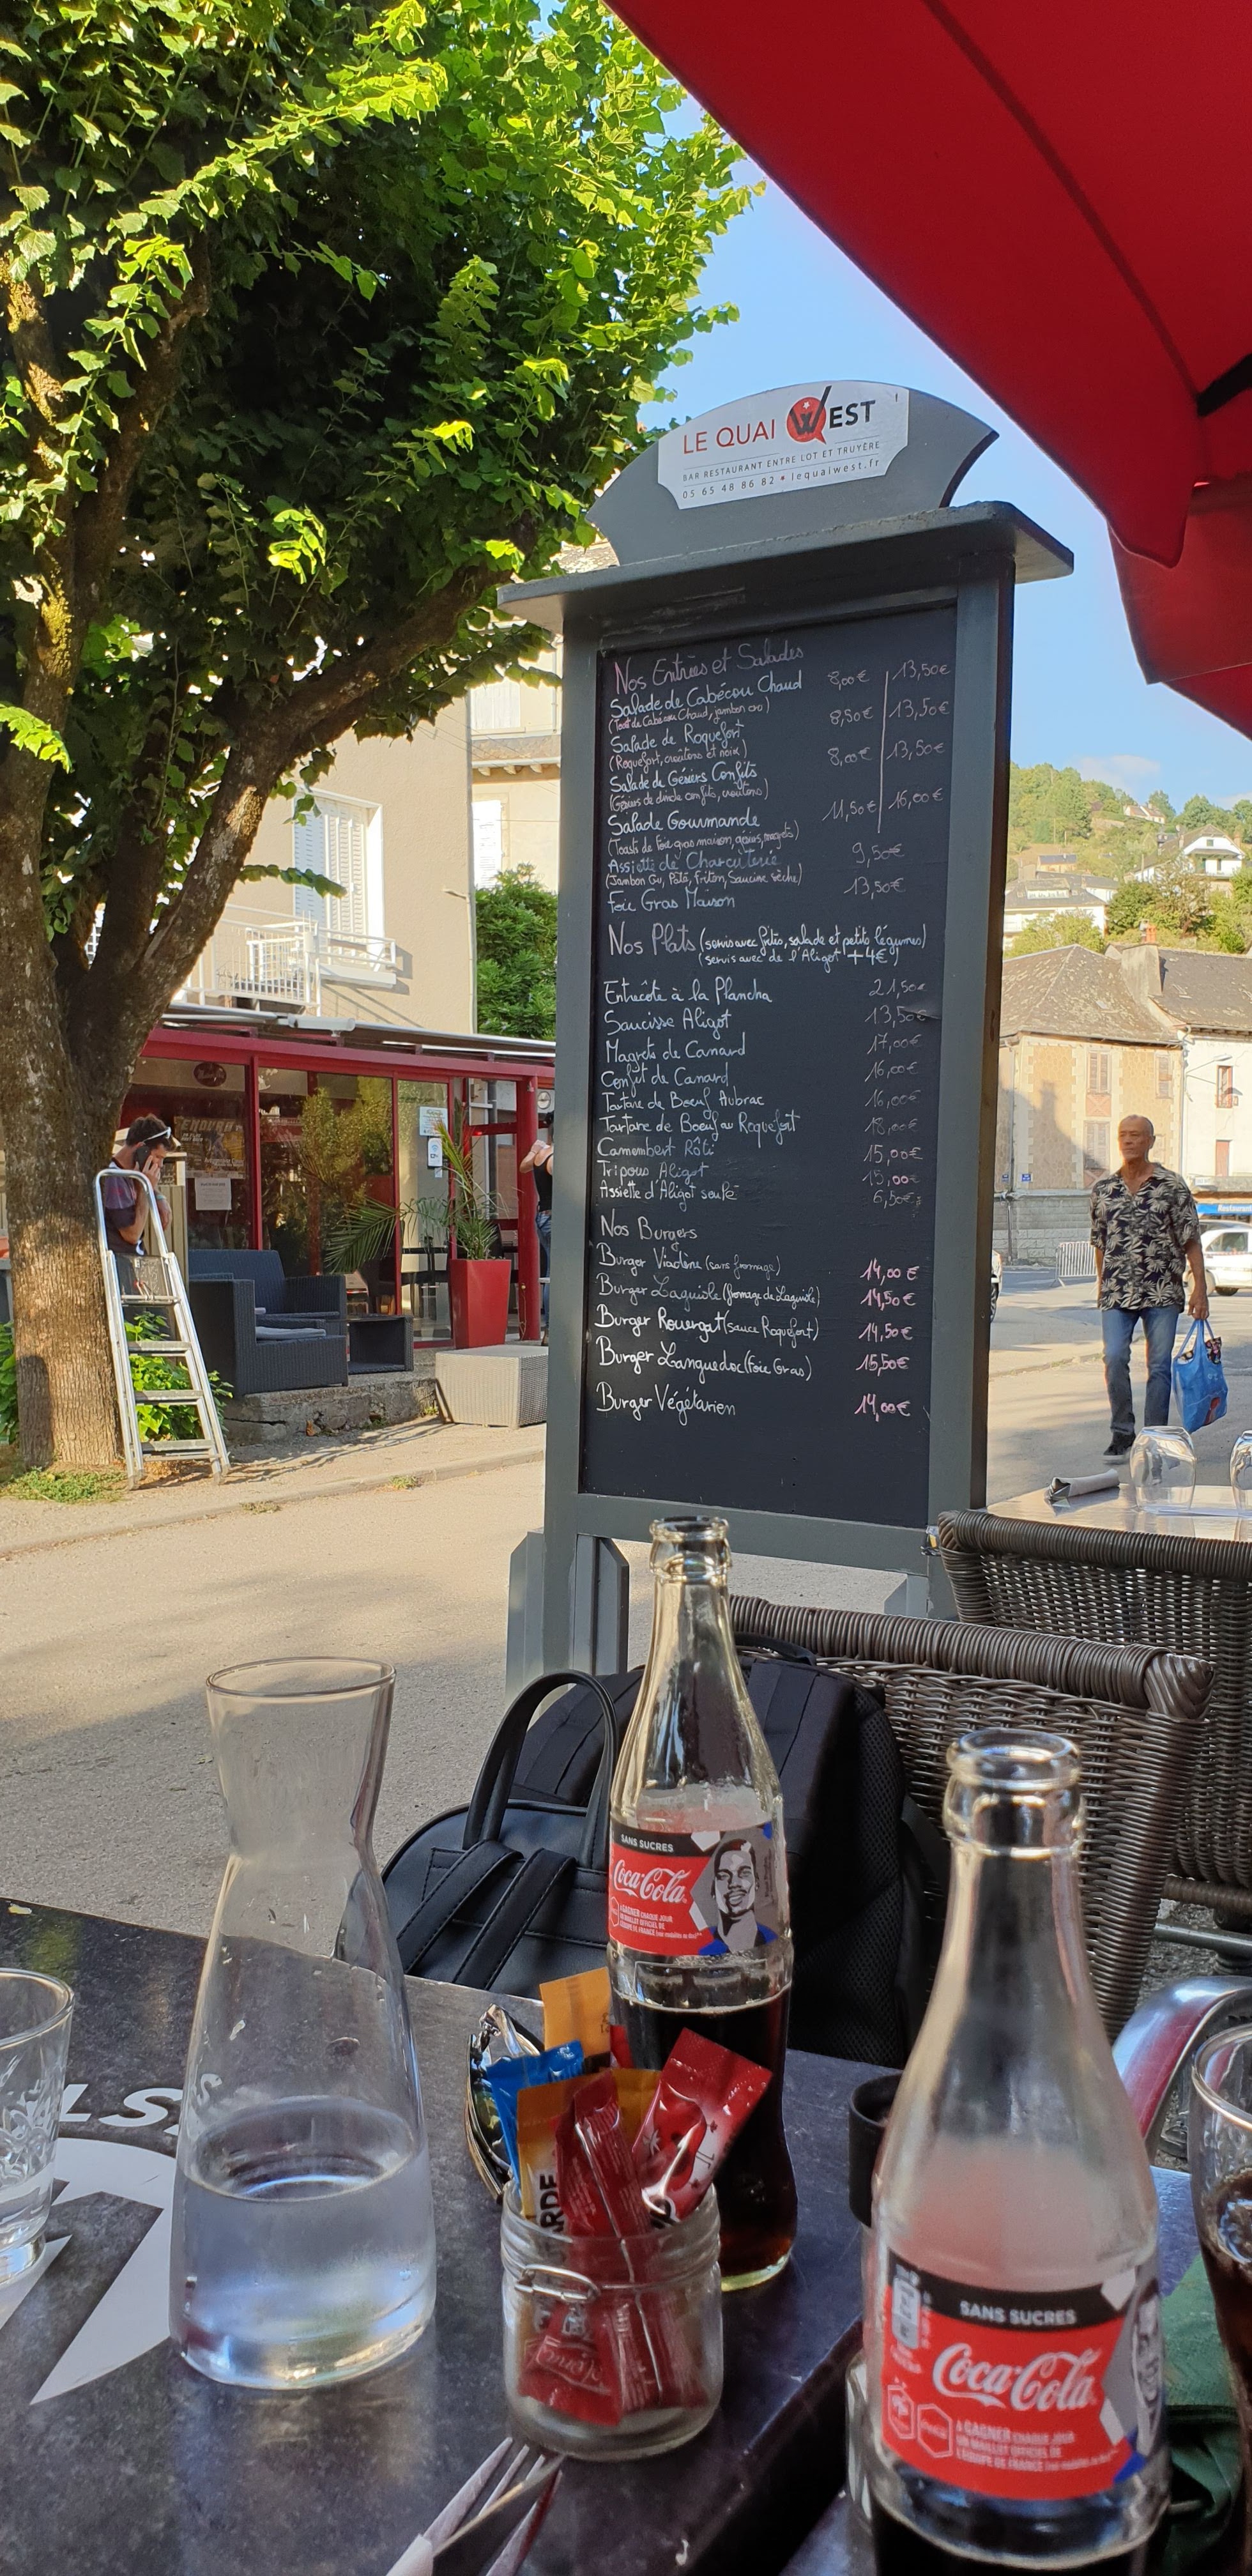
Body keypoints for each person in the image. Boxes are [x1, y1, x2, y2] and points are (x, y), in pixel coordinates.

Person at [1090, 1114, 1208, 1459]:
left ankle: (1155, 1437)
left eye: (1136, 1135)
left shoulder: (1172, 1186)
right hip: (1117, 1292)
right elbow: (1100, 1242)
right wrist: (1102, 1283)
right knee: (1114, 1357)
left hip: (1163, 1291)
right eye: (1123, 1135)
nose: (1128, 1141)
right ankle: (1122, 1433)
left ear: (1150, 1142)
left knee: (1159, 1366)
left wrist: (1200, 1289)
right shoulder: (1104, 1190)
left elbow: (1191, 1240)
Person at [101, 1116, 176, 1296]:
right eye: (158, 1157)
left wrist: (157, 1194)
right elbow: (132, 1235)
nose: (160, 1165)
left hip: (136, 1267)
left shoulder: (132, 1175)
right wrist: (144, 1188)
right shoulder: (114, 1178)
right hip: (121, 1272)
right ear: (142, 1149)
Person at [519, 1121, 553, 1337]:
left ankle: (550, 1329)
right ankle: (551, 1328)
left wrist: (533, 1150)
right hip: (556, 1217)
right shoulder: (556, 1158)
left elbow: (524, 1167)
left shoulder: (542, 1153)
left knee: (551, 1271)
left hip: (542, 1216)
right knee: (555, 1273)